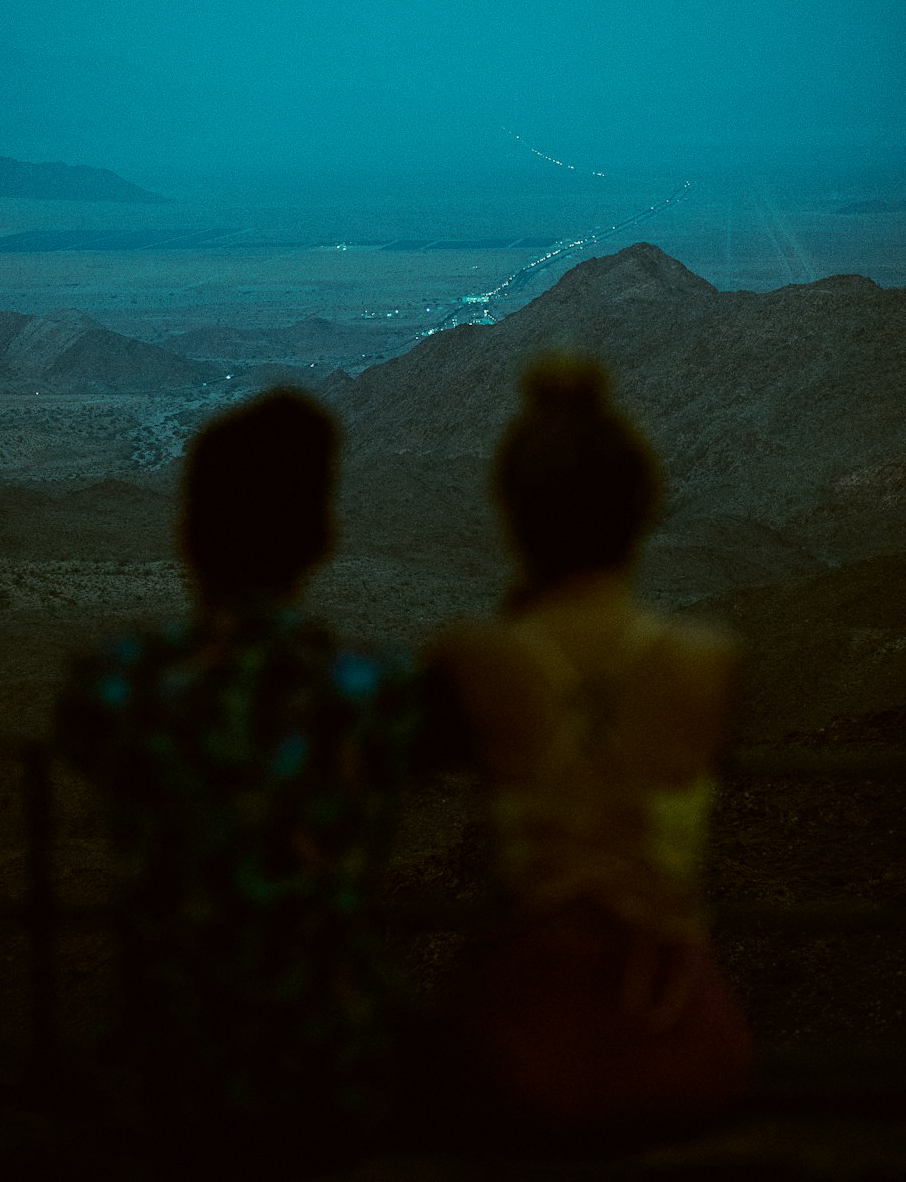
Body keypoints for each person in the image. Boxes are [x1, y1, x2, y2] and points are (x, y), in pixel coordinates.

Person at [56, 389, 464, 1174]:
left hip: (166, 1079)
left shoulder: (117, 689)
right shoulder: (372, 696)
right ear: (320, 541)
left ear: (187, 534)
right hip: (332, 1076)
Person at [433, 355, 752, 1140]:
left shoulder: (477, 661)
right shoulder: (709, 664)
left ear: (515, 515)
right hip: (684, 1042)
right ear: (641, 510)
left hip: (525, 1048)